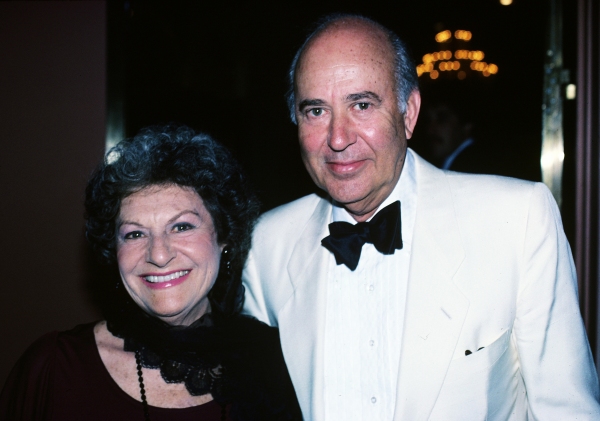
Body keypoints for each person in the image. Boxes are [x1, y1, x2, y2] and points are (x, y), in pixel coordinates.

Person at [242, 13, 600, 420]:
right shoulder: (266, 244)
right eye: (316, 111)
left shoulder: (518, 219)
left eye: (361, 104)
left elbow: (567, 412)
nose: (338, 138)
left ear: (408, 112)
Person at [0, 125, 301, 420]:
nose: (158, 254)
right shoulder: (53, 369)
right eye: (134, 234)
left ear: (224, 236)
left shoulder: (278, 363)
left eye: (182, 227)